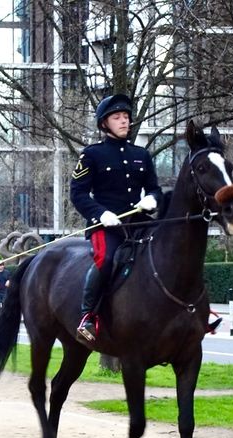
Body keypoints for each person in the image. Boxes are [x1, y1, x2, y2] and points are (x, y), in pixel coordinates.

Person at [70, 93, 163, 342]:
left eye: (126, 117)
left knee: (170, 249)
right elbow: (77, 194)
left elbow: (154, 188)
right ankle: (87, 317)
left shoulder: (141, 154)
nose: (124, 121)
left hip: (140, 224)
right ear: (104, 123)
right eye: (117, 117)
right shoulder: (92, 155)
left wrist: (152, 199)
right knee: (106, 259)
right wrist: (101, 214)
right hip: (106, 226)